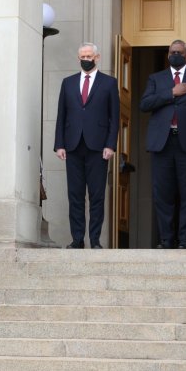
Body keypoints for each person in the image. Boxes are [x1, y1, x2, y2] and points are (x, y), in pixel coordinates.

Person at [140, 39, 186, 249]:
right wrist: (172, 92)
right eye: (172, 52)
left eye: (179, 52)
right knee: (163, 193)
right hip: (162, 144)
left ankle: (185, 240)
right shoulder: (156, 78)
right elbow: (144, 104)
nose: (175, 55)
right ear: (167, 54)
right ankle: (166, 239)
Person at [54, 42, 119, 249]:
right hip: (73, 146)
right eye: (82, 56)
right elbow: (61, 115)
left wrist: (111, 145)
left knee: (97, 196)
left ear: (97, 58)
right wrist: (59, 144)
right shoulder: (68, 83)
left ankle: (95, 240)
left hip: (98, 147)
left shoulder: (109, 83)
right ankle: (77, 239)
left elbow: (114, 117)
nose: (85, 60)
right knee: (75, 195)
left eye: (89, 56)